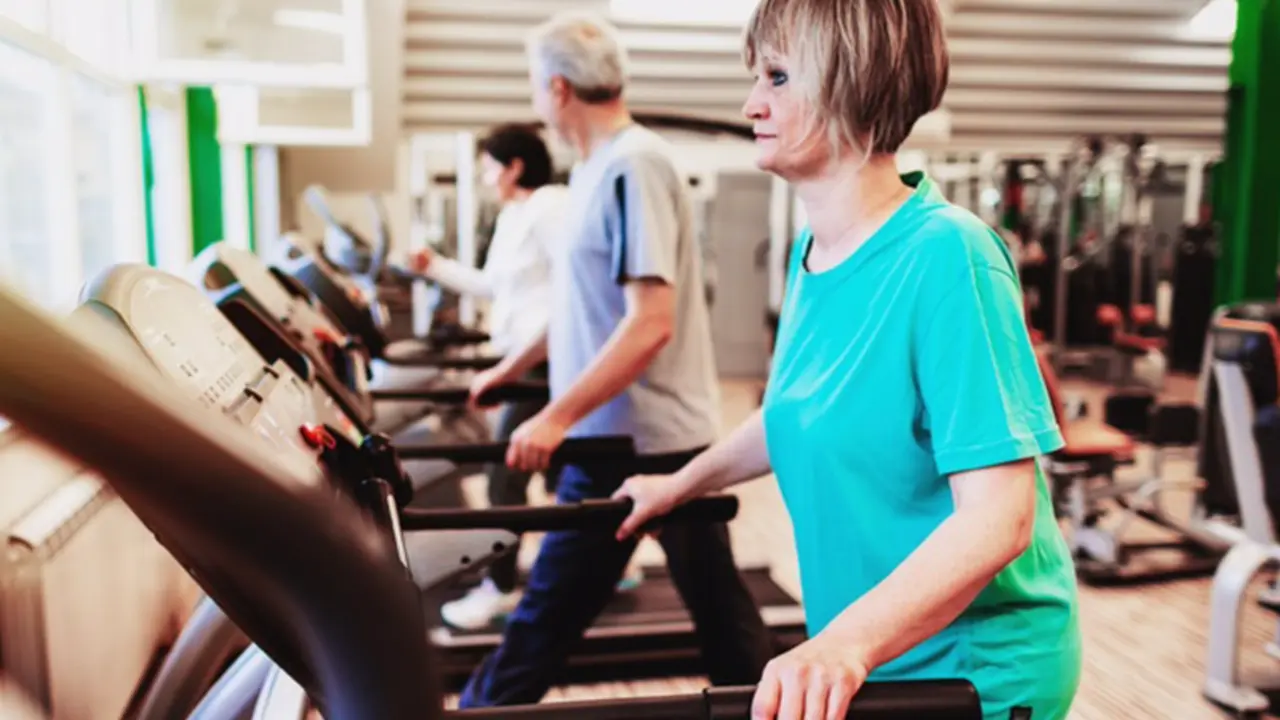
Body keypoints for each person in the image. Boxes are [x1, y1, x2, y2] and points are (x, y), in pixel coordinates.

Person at [614, 1, 1083, 719]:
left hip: (972, 674)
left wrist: (847, 644)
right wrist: (675, 488)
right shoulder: (813, 258)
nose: (751, 103)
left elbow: (1000, 520)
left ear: (851, 80)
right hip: (875, 657)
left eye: (776, 77)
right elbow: (789, 416)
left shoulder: (949, 257)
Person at [457, 11, 773, 707]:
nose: (536, 101)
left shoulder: (636, 164)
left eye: (536, 86)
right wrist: (509, 373)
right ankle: (761, 702)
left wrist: (553, 417)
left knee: (548, 611)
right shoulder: (596, 170)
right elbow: (583, 310)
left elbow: (648, 324)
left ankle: (482, 710)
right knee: (717, 606)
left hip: (635, 440)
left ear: (559, 88)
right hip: (625, 432)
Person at [408, 125, 643, 630]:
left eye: (490, 165)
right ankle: (615, 564)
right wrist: (436, 268)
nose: (485, 176)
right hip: (524, 358)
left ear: (515, 167)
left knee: (505, 475)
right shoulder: (514, 217)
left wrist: (512, 367)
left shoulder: (551, 206)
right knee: (565, 475)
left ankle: (501, 587)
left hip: (551, 361)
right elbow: (495, 287)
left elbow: (576, 287)